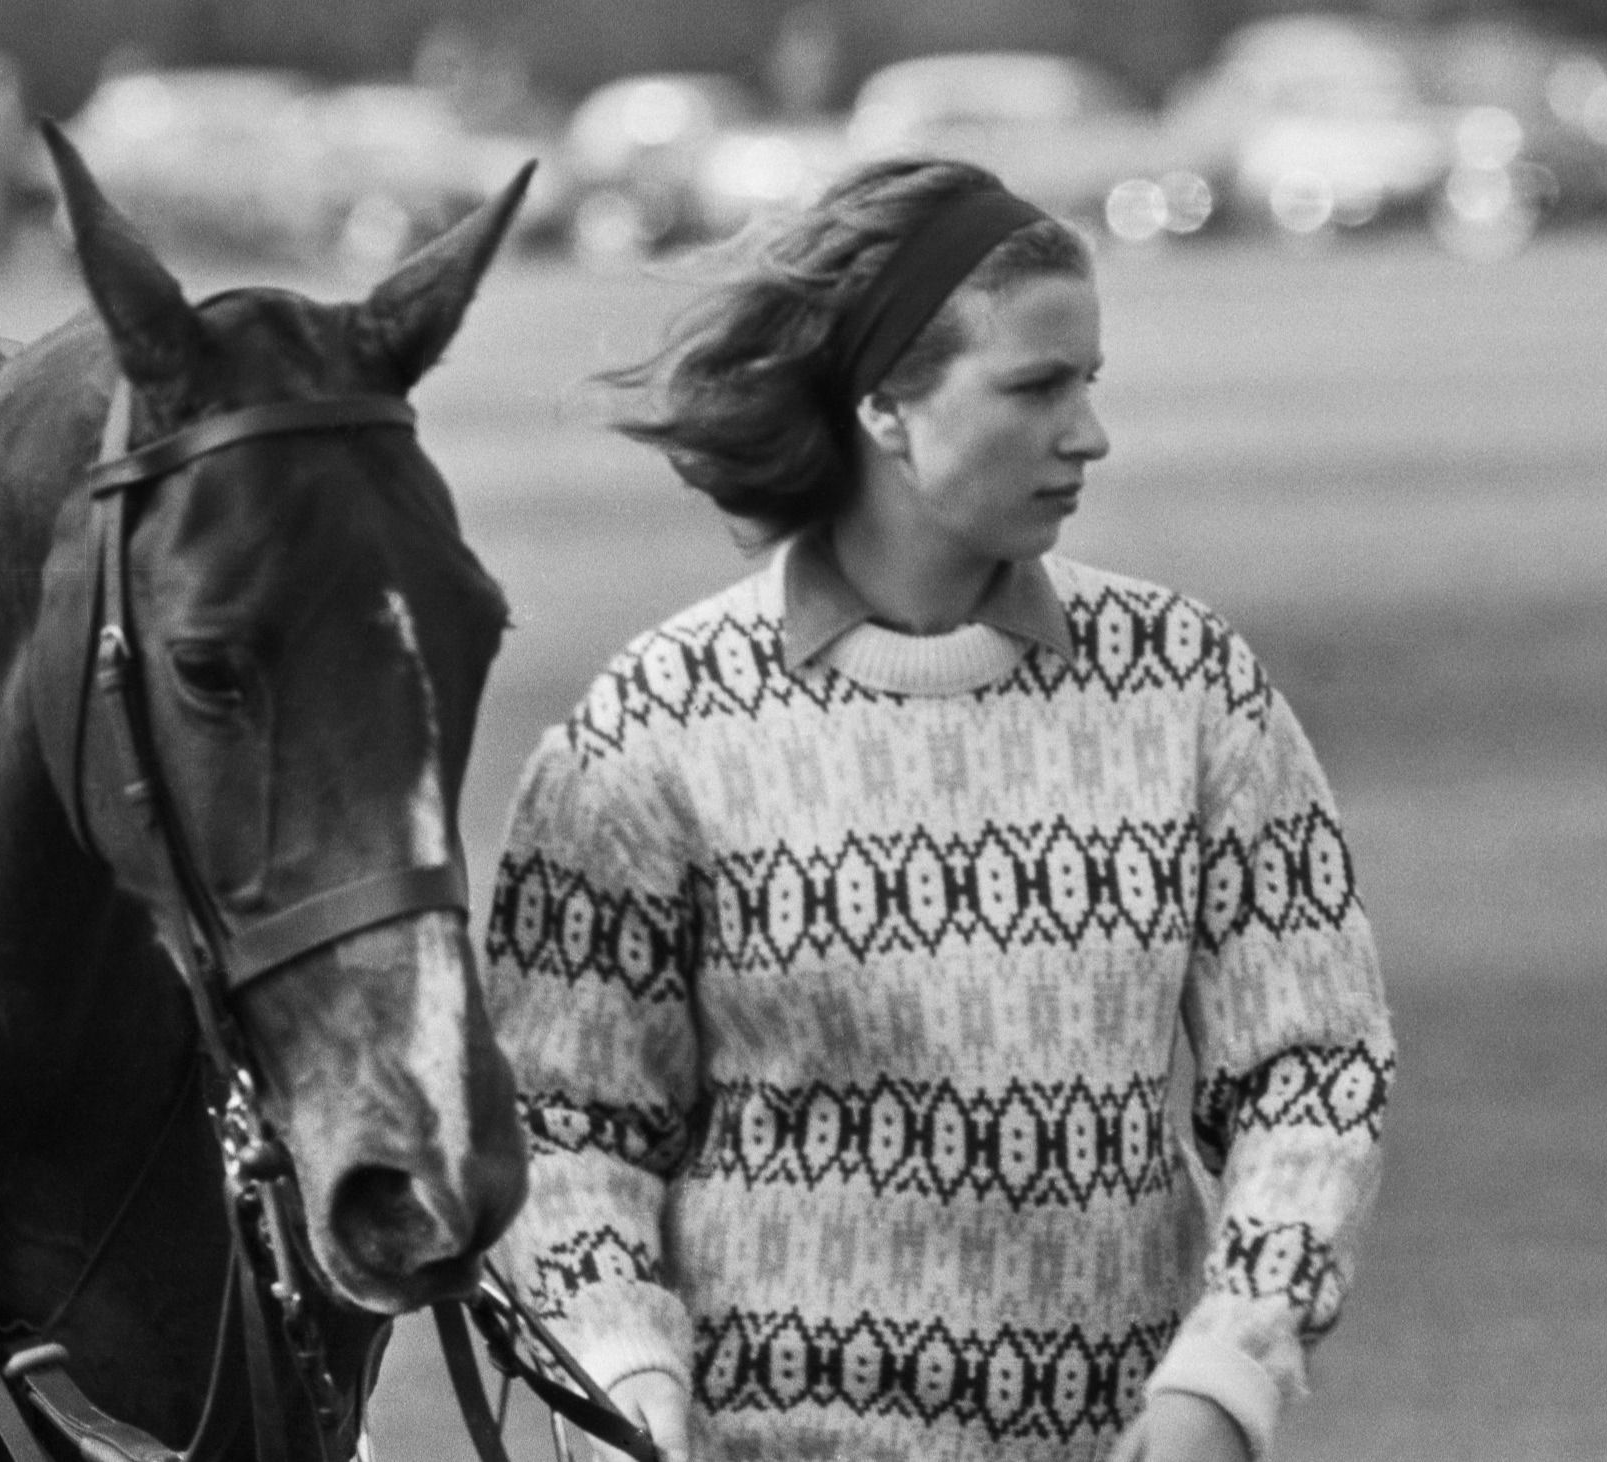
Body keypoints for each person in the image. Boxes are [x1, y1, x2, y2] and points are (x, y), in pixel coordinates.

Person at [482, 157, 1394, 1462]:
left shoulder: (1189, 685)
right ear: (888, 408)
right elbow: (560, 1113)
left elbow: (1313, 1061)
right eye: (1036, 386)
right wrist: (621, 1367)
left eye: (1090, 382)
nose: (1089, 433)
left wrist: (1227, 1370)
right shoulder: (652, 726)